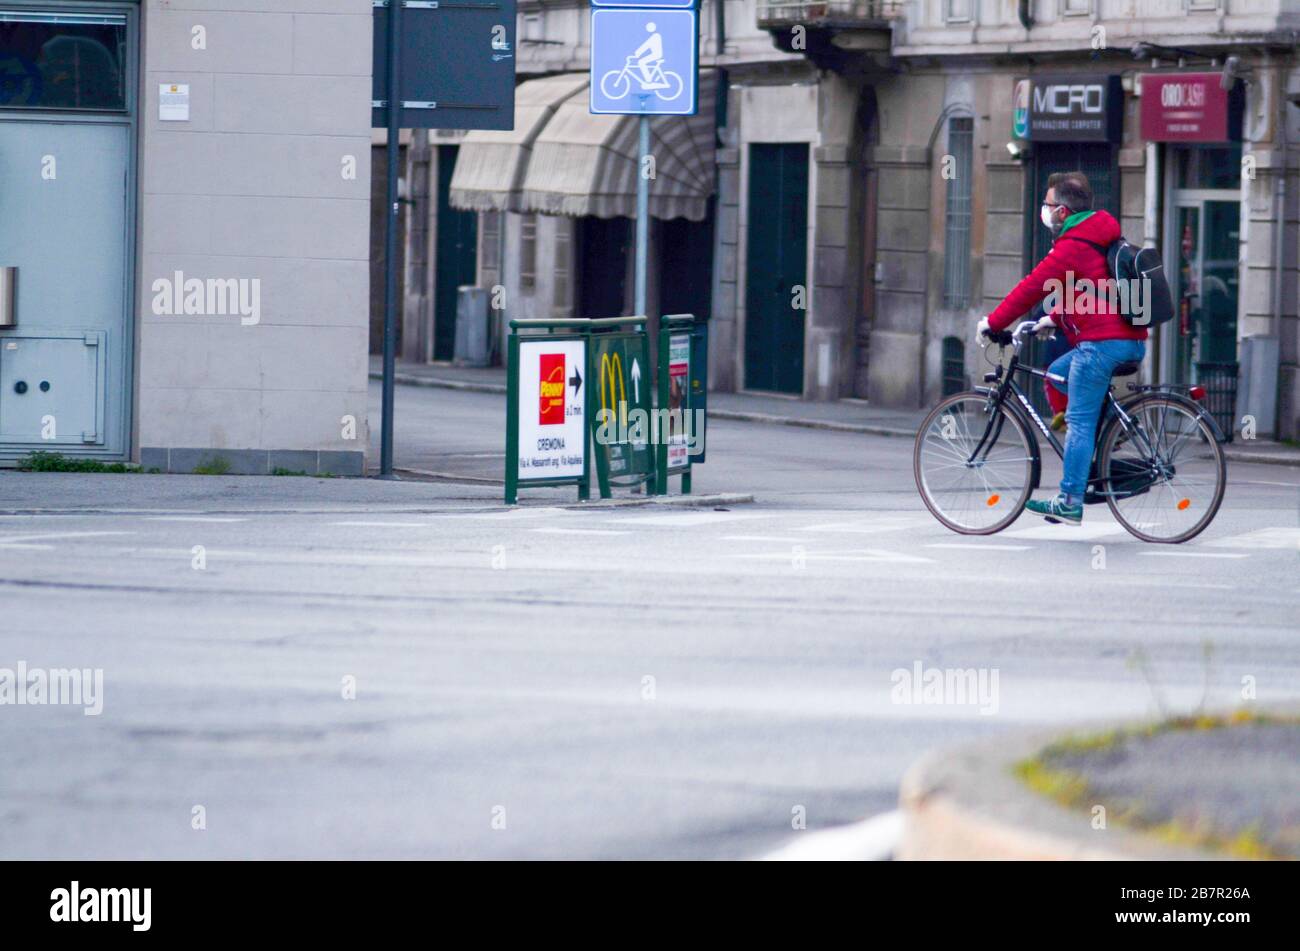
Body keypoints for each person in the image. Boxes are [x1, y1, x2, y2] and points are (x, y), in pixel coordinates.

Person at [977, 171, 1148, 526]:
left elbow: (1032, 287)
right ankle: (1107, 440)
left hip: (1101, 346)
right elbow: (1093, 288)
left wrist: (993, 323)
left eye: (1048, 204)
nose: (1045, 210)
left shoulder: (1073, 245)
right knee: (1057, 375)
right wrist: (1052, 318)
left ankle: (1069, 500)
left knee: (1078, 422)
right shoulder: (1098, 235)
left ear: (1064, 212)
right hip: (1129, 341)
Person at [633, 23, 665, 89]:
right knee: (641, 62)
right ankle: (649, 80)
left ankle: (649, 81)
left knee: (641, 62)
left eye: (649, 27)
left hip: (656, 54)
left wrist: (638, 52)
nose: (648, 29)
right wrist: (638, 53)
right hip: (655, 54)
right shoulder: (655, 35)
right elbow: (646, 45)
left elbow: (646, 45)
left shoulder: (655, 36)